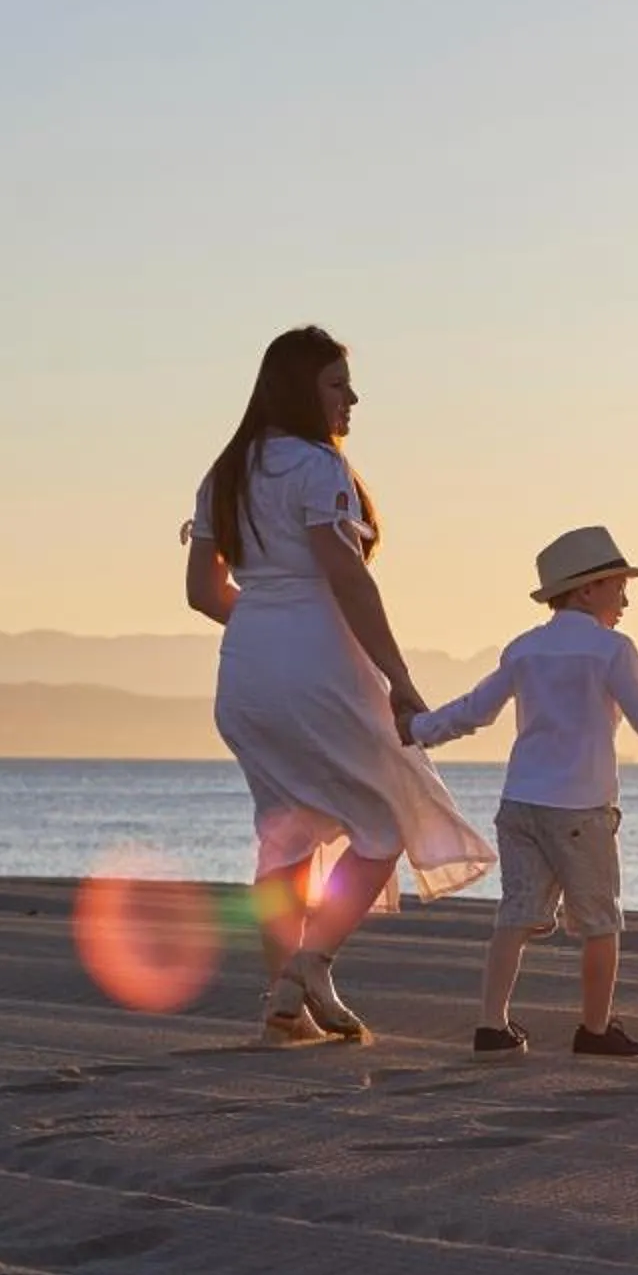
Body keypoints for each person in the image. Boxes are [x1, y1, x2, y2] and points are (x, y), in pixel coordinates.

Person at [184, 325, 491, 1045]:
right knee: (385, 821)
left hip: (248, 671)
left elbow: (203, 592)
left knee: (283, 836)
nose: (352, 398)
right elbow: (346, 574)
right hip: (317, 663)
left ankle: (283, 1006)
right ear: (300, 390)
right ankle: (308, 965)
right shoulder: (317, 469)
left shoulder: (223, 474)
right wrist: (401, 678)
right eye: (337, 384)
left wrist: (264, 620)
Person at [403, 525, 638, 1060]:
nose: (625, 599)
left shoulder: (525, 648)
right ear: (586, 589)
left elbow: (474, 711)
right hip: (580, 809)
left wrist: (419, 729)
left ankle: (491, 1026)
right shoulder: (612, 650)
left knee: (515, 917)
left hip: (520, 803)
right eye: (617, 585)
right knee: (600, 924)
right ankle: (594, 1030)